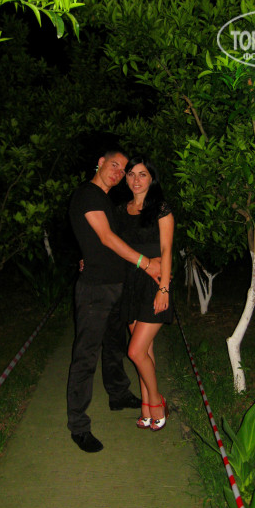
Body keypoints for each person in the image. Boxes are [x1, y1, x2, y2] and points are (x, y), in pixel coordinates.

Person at [67, 149, 162, 453]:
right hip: (95, 289)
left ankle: (118, 393)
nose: (119, 172)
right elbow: (107, 237)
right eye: (114, 165)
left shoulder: (107, 201)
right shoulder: (88, 194)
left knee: (114, 346)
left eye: (124, 170)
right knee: (86, 356)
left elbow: (112, 240)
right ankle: (79, 425)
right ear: (100, 163)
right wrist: (146, 263)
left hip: (117, 285)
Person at [118, 157, 174, 431]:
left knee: (135, 351)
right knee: (145, 352)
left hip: (154, 283)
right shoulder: (121, 210)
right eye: (131, 174)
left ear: (152, 178)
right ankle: (146, 409)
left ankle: (156, 401)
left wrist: (164, 288)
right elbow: (112, 244)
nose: (136, 180)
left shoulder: (160, 208)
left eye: (142, 174)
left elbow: (166, 250)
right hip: (130, 284)